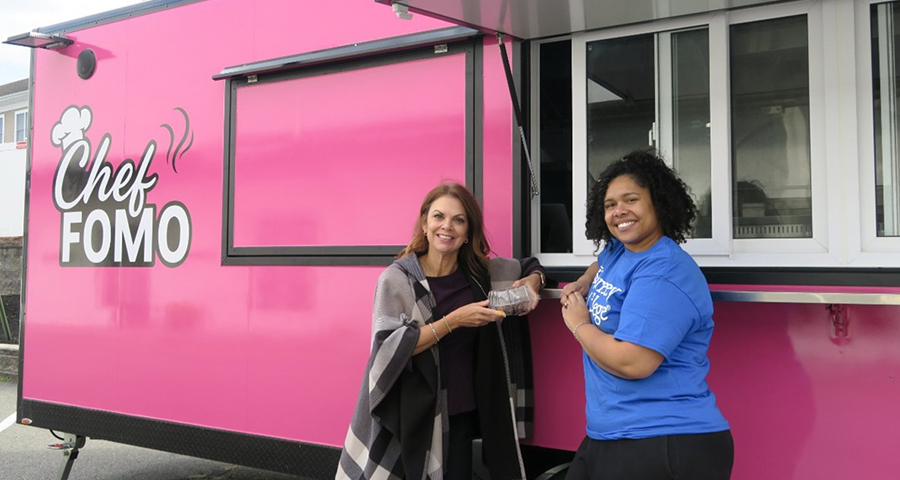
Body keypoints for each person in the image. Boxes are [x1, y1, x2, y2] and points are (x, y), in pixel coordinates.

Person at [337, 182, 545, 480]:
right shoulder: (398, 280)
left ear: (467, 232)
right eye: (438, 217)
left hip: (461, 413)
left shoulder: (479, 274)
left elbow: (528, 267)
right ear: (424, 224)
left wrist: (534, 281)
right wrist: (454, 321)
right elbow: (386, 351)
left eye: (459, 220)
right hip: (414, 414)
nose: (447, 226)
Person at [560, 150, 733, 480]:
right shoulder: (622, 251)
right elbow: (602, 263)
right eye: (610, 204)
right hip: (613, 433)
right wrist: (584, 281)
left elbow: (633, 362)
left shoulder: (664, 272)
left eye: (631, 200)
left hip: (664, 440)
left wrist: (578, 323)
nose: (619, 211)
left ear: (659, 203)